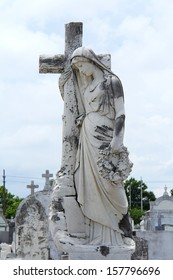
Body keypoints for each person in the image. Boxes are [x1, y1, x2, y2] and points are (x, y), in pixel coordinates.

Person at [70, 47, 133, 246]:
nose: (81, 70)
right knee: (89, 185)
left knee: (111, 184)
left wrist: (118, 138)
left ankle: (120, 229)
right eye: (77, 67)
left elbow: (120, 112)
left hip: (106, 140)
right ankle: (98, 235)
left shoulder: (111, 82)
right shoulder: (87, 87)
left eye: (81, 65)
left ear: (91, 60)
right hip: (88, 139)